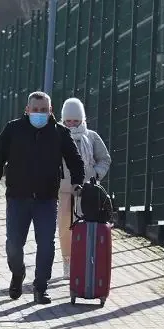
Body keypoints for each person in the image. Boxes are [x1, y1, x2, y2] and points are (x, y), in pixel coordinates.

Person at [0, 91, 85, 304]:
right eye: (35, 110)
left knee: (46, 244)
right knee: (13, 244)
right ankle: (18, 273)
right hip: (17, 198)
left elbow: (75, 160)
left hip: (46, 199)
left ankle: (40, 287)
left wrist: (78, 182)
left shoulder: (59, 133)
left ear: (51, 111)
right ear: (27, 110)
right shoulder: (13, 130)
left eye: (44, 110)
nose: (39, 114)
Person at [58, 98, 111, 278]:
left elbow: (104, 159)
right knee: (65, 227)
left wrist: (95, 175)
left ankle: (88, 260)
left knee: (89, 225)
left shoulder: (92, 137)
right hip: (64, 190)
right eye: (68, 120)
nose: (72, 124)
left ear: (82, 119)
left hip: (88, 190)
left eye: (76, 120)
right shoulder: (57, 135)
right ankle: (68, 261)